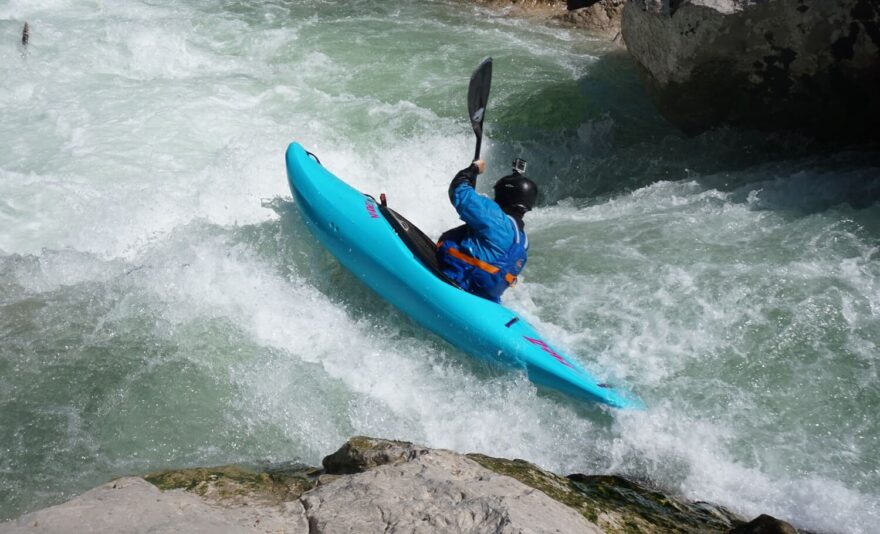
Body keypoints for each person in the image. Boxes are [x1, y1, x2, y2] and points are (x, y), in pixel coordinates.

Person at [436, 158, 538, 303]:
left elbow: (459, 190)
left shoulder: (495, 217)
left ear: (503, 196)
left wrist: (474, 169)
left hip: (454, 281)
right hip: (483, 297)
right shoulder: (523, 240)